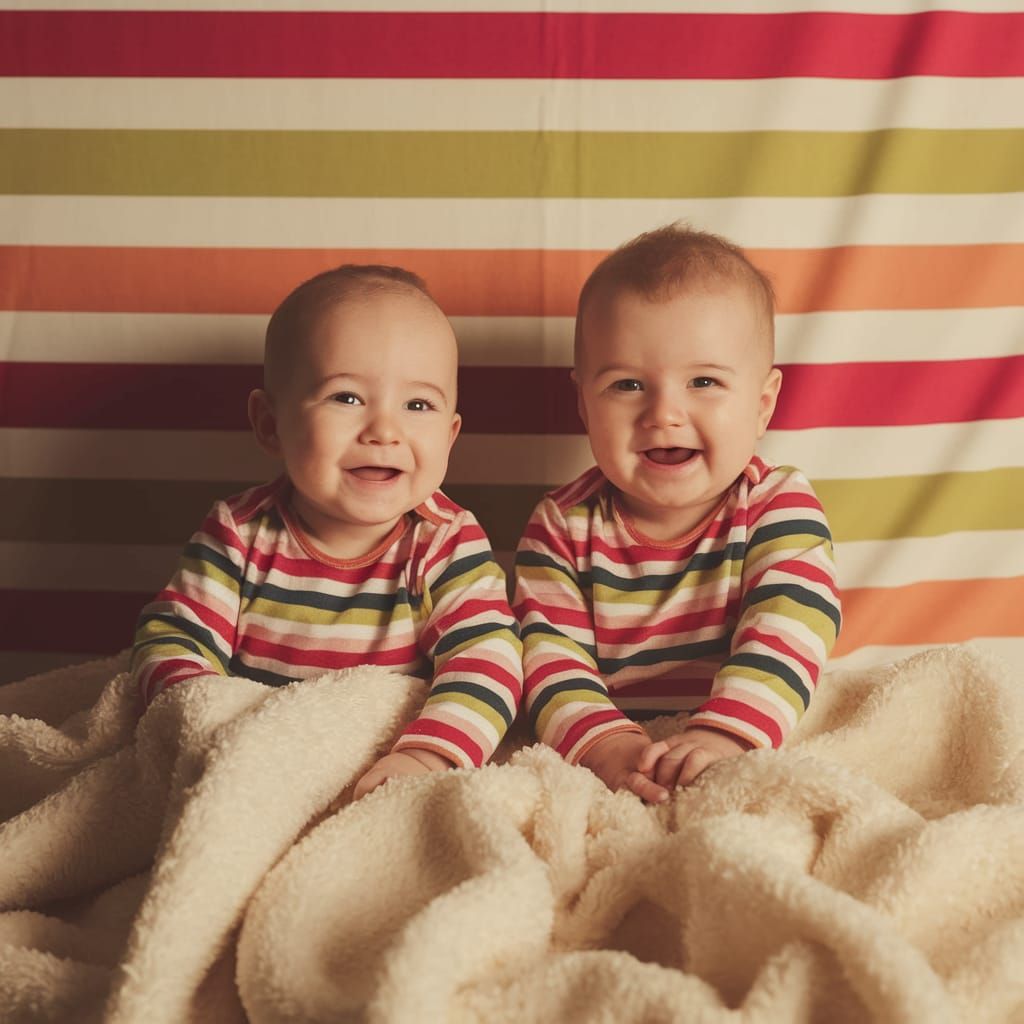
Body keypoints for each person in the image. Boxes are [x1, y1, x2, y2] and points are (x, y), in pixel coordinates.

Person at [132, 264, 523, 800]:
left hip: (385, 767)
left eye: (417, 405)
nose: (384, 431)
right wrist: (207, 728)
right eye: (346, 397)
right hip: (255, 760)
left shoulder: (443, 542)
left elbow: (488, 659)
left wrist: (427, 754)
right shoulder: (239, 535)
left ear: (450, 435)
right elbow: (175, 639)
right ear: (270, 424)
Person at [513, 225, 841, 804]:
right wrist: (605, 746)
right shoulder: (561, 526)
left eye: (704, 382)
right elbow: (548, 656)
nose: (665, 414)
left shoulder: (775, 507)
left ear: (762, 405)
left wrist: (724, 733)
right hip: (615, 746)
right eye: (629, 384)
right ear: (584, 404)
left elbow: (791, 628)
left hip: (745, 730)